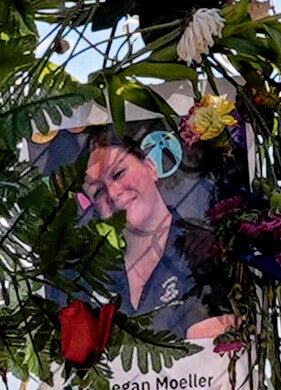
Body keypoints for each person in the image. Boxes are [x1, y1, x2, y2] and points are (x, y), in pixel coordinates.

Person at [58, 126, 222, 342]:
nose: (113, 193)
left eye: (118, 173)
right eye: (98, 191)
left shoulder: (207, 250)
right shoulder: (97, 279)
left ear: (151, 167)